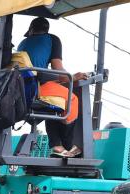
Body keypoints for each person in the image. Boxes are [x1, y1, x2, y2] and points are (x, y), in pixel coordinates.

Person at [16, 17, 87, 157]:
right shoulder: (52, 39)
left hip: (21, 89)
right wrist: (73, 77)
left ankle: (56, 145)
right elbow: (58, 69)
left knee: (53, 104)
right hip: (37, 88)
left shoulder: (22, 43)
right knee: (72, 100)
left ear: (31, 30)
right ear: (46, 30)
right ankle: (68, 146)